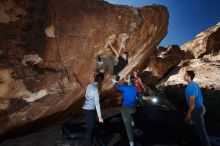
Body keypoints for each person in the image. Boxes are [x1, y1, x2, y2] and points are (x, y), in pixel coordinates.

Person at [184, 70, 211, 146]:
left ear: (189, 77)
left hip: (197, 110)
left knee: (202, 131)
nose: (184, 76)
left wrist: (189, 114)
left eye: (185, 75)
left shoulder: (191, 87)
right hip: (199, 109)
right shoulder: (193, 85)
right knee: (194, 127)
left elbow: (192, 103)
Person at [112, 75, 137, 146]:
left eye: (127, 78)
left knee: (128, 127)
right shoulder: (134, 87)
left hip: (126, 108)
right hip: (133, 108)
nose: (126, 78)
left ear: (129, 81)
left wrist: (114, 82)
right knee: (130, 113)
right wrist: (126, 79)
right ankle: (132, 122)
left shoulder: (126, 88)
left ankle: (131, 143)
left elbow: (118, 87)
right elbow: (128, 83)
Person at [82, 73, 104, 146]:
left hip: (85, 109)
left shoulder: (89, 85)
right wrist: (100, 116)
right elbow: (97, 103)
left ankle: (89, 142)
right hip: (90, 110)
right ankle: (88, 144)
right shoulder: (96, 89)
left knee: (89, 127)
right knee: (89, 129)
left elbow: (86, 95)